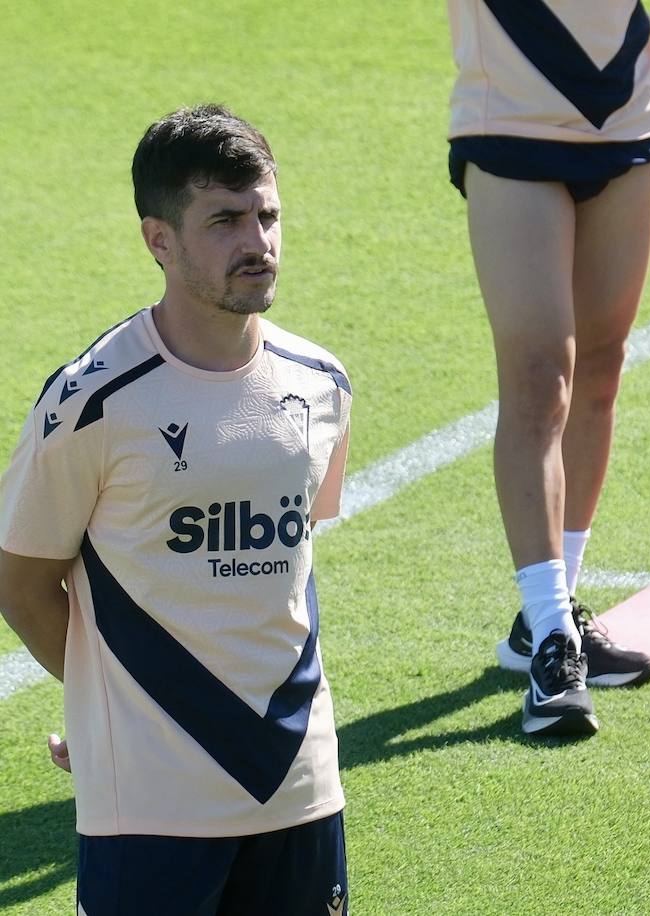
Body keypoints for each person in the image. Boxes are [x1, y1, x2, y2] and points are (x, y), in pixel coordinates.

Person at [0, 105, 352, 916]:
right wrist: (104, 707)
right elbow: (22, 585)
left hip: (300, 781)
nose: (257, 242)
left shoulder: (321, 384)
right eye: (224, 220)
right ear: (159, 240)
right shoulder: (91, 403)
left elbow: (288, 576)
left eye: (267, 215)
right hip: (150, 802)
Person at [445, 0, 650, 736]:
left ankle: (552, 613)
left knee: (601, 366)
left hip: (628, 111)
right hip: (509, 117)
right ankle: (551, 642)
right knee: (540, 374)